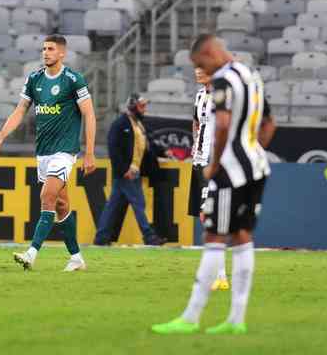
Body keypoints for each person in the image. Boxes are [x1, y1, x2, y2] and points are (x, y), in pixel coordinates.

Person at [152, 34, 276, 335]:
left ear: (209, 52)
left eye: (200, 63)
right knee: (243, 236)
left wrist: (215, 165)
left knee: (214, 235)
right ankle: (236, 320)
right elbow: (269, 123)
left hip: (229, 170)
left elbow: (221, 125)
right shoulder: (251, 76)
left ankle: (191, 317)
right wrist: (253, 152)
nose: (201, 69)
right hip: (256, 167)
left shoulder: (222, 81)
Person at [0, 34, 97, 272]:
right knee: (60, 204)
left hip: (65, 151)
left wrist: (89, 153)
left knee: (46, 196)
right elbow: (20, 111)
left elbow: (89, 114)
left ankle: (31, 252)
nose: (45, 52)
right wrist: (0, 136)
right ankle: (77, 258)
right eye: (44, 49)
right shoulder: (35, 79)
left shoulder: (73, 80)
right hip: (44, 152)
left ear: (62, 53)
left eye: (50, 49)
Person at [94, 93, 167, 246]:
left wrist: (164, 152)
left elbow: (146, 147)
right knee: (139, 203)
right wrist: (123, 170)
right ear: (133, 107)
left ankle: (101, 237)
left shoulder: (138, 125)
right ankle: (149, 236)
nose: (144, 109)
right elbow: (114, 149)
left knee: (113, 206)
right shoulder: (120, 124)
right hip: (128, 173)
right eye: (142, 106)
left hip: (132, 171)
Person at [189, 67, 230, 291]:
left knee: (210, 215)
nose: (197, 71)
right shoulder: (199, 96)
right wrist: (195, 145)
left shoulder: (222, 96)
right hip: (200, 161)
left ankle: (220, 275)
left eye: (202, 68)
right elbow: (196, 122)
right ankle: (219, 273)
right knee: (205, 216)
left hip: (216, 162)